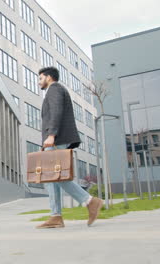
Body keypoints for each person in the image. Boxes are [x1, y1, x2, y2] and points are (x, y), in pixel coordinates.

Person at [37, 67, 103, 229]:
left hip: (57, 139)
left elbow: (57, 112)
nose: (39, 81)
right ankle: (56, 216)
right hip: (55, 139)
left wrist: (51, 135)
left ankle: (90, 201)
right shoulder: (55, 91)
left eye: (40, 78)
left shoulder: (55, 89)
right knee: (52, 179)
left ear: (49, 77)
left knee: (57, 176)